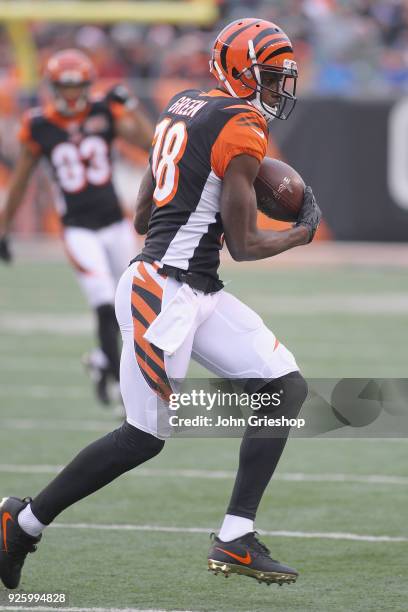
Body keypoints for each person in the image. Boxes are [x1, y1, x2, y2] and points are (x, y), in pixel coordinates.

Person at [0, 19, 321, 590]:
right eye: (270, 77)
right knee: (143, 437)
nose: (277, 90)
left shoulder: (183, 103)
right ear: (241, 71)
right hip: (164, 291)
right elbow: (245, 246)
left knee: (284, 384)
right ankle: (20, 522)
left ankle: (236, 536)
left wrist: (197, 212)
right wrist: (301, 231)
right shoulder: (242, 124)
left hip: (193, 286)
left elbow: (145, 213)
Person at [0, 49, 153, 406]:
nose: (71, 95)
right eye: (63, 88)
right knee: (102, 302)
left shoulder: (105, 110)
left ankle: (103, 360)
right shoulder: (38, 124)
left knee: (128, 304)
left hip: (115, 222)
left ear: (87, 85)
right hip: (77, 228)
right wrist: (3, 229)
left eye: (76, 87)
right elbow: (20, 182)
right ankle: (118, 384)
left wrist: (129, 104)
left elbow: (149, 142)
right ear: (53, 88)